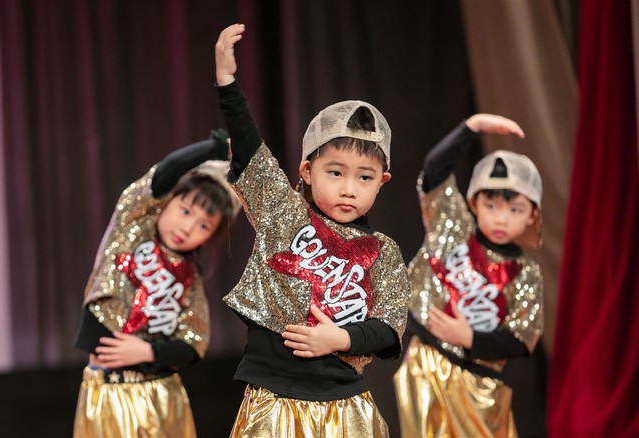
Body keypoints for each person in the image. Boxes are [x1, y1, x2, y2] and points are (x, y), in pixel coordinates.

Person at [214, 24, 411, 437]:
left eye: (364, 178)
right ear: (306, 170)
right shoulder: (284, 213)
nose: (347, 188)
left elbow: (387, 327)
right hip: (275, 402)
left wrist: (338, 339)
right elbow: (251, 150)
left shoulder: (383, 250)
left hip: (345, 407)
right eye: (335, 172)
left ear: (382, 182)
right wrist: (228, 85)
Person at [72, 130, 241, 438]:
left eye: (204, 224)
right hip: (107, 391)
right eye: (186, 210)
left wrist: (149, 352)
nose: (188, 227)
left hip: (163, 395)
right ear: (168, 199)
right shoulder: (132, 224)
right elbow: (163, 173)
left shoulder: (190, 277)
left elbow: (194, 343)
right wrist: (215, 147)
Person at [393, 114, 544, 437]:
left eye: (514, 209)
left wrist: (469, 338)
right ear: (475, 202)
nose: (501, 218)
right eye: (491, 205)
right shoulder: (454, 227)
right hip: (427, 363)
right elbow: (433, 173)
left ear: (533, 214)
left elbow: (520, 340)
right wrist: (471, 127)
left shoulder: (526, 273)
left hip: (480, 383)